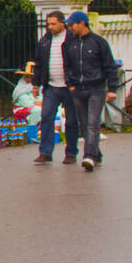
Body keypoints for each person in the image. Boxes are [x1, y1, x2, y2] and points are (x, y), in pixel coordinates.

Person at [64, 11, 118, 172]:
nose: (70, 28)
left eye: (72, 24)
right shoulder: (70, 44)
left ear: (82, 23)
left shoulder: (99, 42)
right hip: (78, 89)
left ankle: (89, 156)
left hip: (96, 88)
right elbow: (67, 66)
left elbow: (110, 66)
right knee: (84, 124)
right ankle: (96, 154)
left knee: (93, 123)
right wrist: (70, 84)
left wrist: (112, 88)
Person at [30, 10, 79, 163]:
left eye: (53, 24)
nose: (50, 27)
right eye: (48, 24)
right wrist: (36, 83)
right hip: (51, 86)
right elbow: (38, 63)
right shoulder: (44, 41)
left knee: (71, 120)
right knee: (46, 117)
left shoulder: (72, 39)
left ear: (62, 23)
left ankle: (71, 153)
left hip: (69, 86)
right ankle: (45, 152)